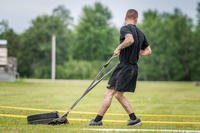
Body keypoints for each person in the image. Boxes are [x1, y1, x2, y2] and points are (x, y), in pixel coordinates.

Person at [89, 9, 152, 126]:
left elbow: (129, 39)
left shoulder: (125, 28)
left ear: (125, 17)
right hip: (133, 68)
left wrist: (119, 47)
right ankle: (134, 119)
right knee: (118, 94)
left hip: (124, 66)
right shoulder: (141, 33)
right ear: (136, 19)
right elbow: (148, 51)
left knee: (109, 94)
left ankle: (97, 121)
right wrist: (138, 53)